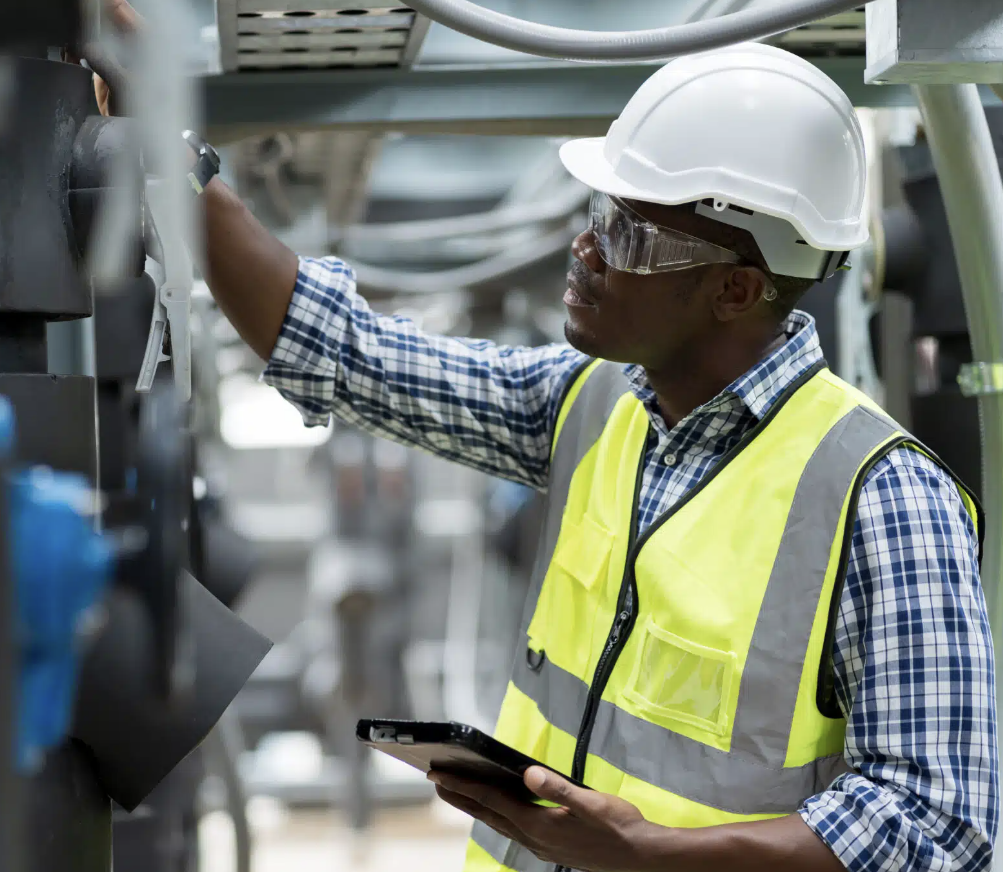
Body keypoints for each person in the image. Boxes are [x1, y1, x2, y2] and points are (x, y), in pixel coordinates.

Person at [95, 5, 998, 871]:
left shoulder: (882, 498)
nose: (584, 251)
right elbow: (344, 351)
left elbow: (937, 819)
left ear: (734, 290)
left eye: (628, 234)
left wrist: (655, 857)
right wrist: (164, 141)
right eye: (595, 212)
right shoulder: (586, 406)